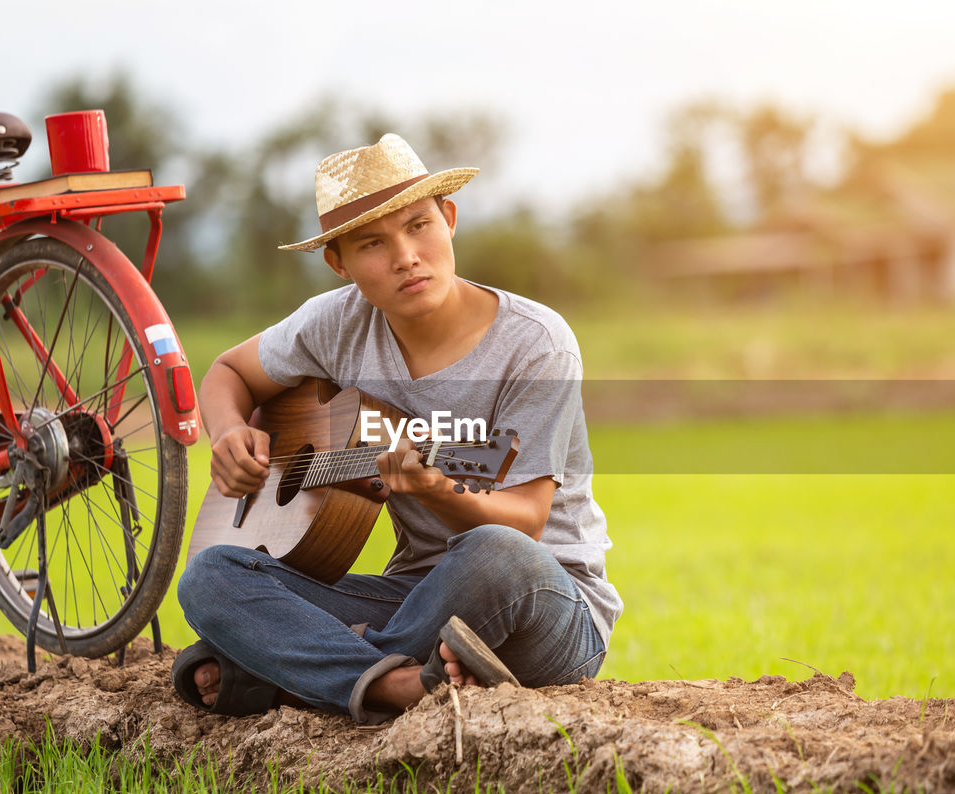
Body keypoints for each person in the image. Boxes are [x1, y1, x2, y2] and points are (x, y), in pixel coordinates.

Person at [171, 133, 620, 724]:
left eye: (419, 227)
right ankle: (397, 682)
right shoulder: (336, 324)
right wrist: (227, 431)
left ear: (449, 218)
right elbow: (229, 371)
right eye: (372, 244)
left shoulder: (536, 344)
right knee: (211, 575)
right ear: (339, 263)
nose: (406, 255)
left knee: (497, 553)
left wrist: (437, 488)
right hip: (413, 599)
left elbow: (528, 520)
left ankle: (292, 671)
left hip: (545, 603)